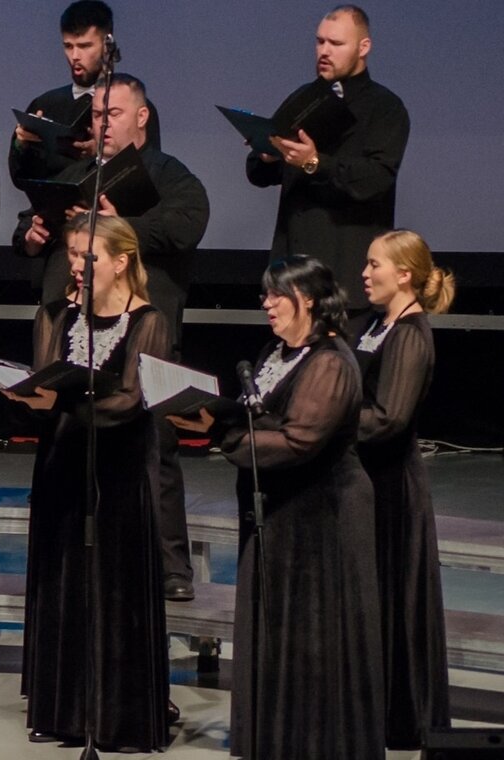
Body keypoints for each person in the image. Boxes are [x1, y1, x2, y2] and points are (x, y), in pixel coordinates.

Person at [168, 255, 383, 759]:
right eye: (265, 294)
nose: (266, 304)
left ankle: (314, 743)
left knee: (314, 633)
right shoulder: (276, 352)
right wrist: (214, 416)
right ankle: (278, 736)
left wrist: (225, 437)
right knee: (279, 629)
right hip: (279, 515)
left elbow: (299, 440)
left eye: (276, 295)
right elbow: (263, 416)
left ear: (306, 300)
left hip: (323, 520)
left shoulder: (330, 361)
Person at [14, 73, 209, 600]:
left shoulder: (169, 174)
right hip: (74, 326)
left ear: (141, 117)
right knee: (67, 435)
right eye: (96, 115)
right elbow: (29, 225)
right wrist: (31, 234)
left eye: (113, 114)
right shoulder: (77, 174)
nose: (101, 124)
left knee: (154, 447)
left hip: (139, 329)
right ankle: (68, 555)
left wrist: (120, 227)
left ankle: (170, 564)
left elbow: (187, 226)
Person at [4, 215, 171, 749]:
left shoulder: (148, 321)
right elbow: (42, 388)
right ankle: (63, 711)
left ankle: (116, 715)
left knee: (114, 587)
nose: (76, 265)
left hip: (118, 475)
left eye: (88, 256)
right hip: (61, 465)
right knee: (63, 581)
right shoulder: (55, 314)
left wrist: (66, 402)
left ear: (121, 261)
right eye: (72, 254)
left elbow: (131, 401)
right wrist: (26, 397)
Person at [354, 230, 453, 749]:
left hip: (392, 486)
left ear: (405, 274)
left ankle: (400, 717)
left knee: (395, 599)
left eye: (375, 265)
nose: (365, 273)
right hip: (367, 482)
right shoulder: (376, 325)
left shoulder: (410, 334)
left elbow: (388, 418)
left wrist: (325, 422)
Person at [245, 5, 408, 310]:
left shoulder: (385, 107)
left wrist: (315, 162)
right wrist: (268, 155)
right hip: (292, 274)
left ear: (363, 47)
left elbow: (376, 178)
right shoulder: (303, 98)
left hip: (347, 278)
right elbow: (257, 173)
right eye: (320, 41)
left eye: (336, 43)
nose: (324, 51)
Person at [8, 0, 163, 191]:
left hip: (111, 207)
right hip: (50, 207)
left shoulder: (133, 105)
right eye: (68, 46)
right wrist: (22, 145)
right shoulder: (45, 104)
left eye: (85, 46)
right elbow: (21, 178)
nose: (75, 56)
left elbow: (150, 174)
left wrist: (102, 156)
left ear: (107, 44)